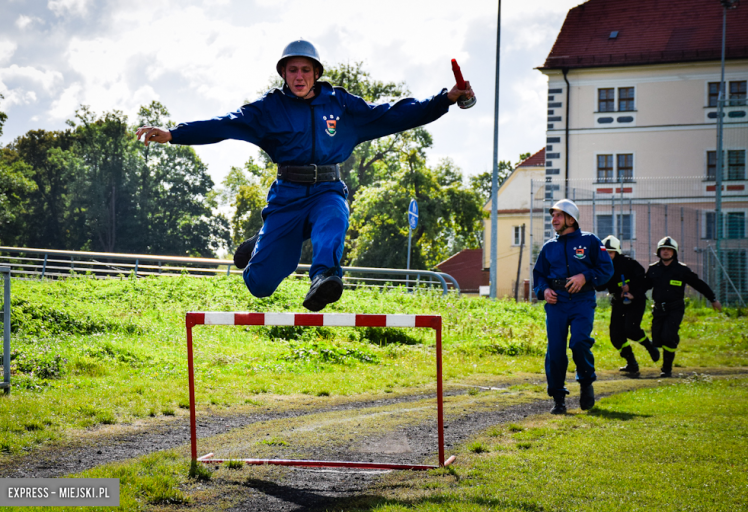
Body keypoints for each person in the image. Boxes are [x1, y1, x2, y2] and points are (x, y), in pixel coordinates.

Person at [135, 40, 474, 312]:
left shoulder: (340, 104)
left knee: (334, 217)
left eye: (306, 70)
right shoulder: (269, 109)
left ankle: (323, 277)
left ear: (316, 73)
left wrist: (444, 99)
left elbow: (393, 114)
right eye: (292, 70)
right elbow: (224, 124)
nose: (299, 76)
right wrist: (174, 133)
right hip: (287, 197)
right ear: (284, 73)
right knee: (261, 285)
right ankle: (262, 245)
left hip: (327, 188)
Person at [533, 199, 614, 415]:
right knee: (556, 350)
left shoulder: (591, 241)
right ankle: (558, 398)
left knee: (579, 342)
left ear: (571, 218)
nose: (554, 220)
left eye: (558, 215)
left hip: (582, 301)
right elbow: (539, 275)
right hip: (556, 303)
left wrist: (585, 276)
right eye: (553, 215)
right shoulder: (549, 247)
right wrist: (544, 291)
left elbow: (606, 269)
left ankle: (586, 383)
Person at [645, 236, 722, 377]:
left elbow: (699, 284)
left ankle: (666, 369)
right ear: (659, 251)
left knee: (669, 336)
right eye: (663, 249)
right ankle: (660, 352)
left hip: (675, 309)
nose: (666, 252)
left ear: (675, 252)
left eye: (669, 249)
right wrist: (630, 293)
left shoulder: (682, 270)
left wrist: (713, 299)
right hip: (658, 309)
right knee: (657, 338)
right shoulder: (653, 269)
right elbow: (643, 286)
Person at [596, 235, 659, 377]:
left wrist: (632, 291)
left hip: (635, 301)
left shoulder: (629, 263)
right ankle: (631, 363)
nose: (607, 255)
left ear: (617, 252)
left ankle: (650, 347)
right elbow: (600, 286)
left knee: (631, 329)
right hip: (618, 302)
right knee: (615, 336)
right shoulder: (602, 266)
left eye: (610, 252)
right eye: (604, 253)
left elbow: (643, 279)